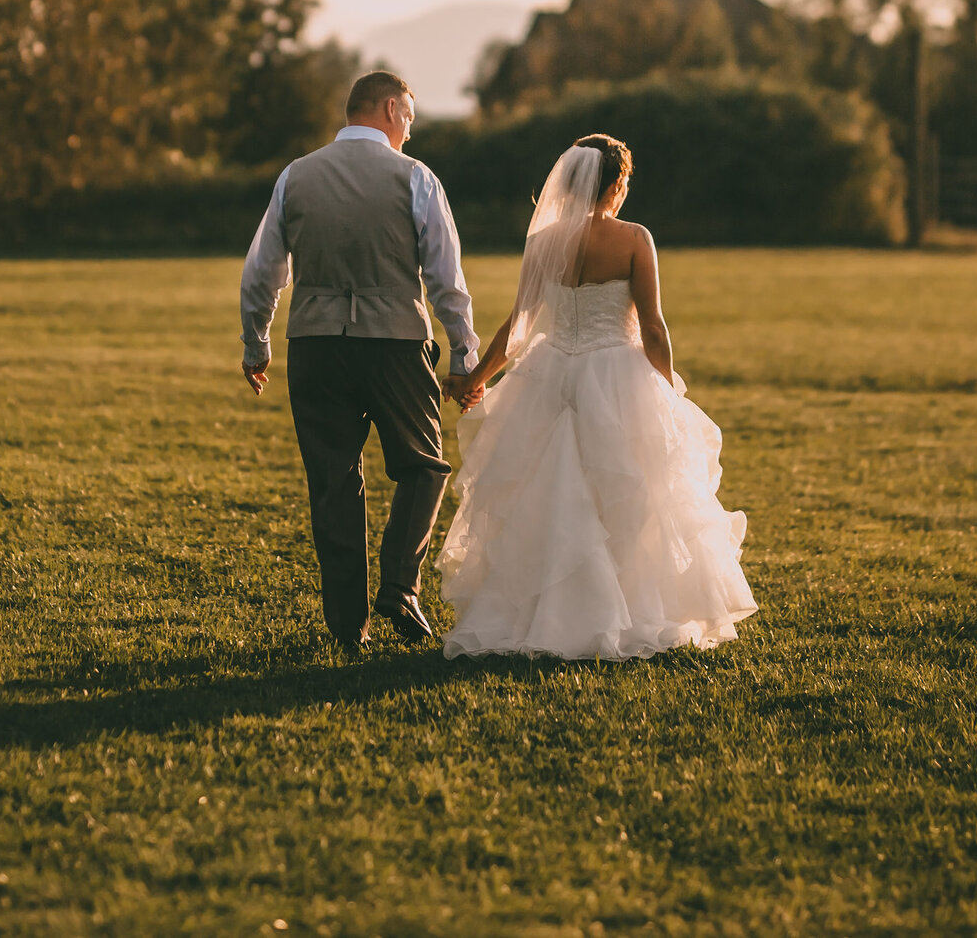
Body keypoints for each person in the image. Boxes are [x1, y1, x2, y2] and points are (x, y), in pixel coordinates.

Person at [438, 134, 756, 660]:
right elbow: (652, 326)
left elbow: (519, 324)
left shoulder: (545, 241)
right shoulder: (634, 238)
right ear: (614, 185)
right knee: (628, 498)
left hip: (551, 373)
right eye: (624, 183)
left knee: (550, 496)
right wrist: (668, 386)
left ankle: (545, 613)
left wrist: (478, 380)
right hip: (618, 377)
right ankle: (629, 611)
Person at [239, 71, 480, 655]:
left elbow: (262, 271)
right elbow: (445, 278)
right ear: (391, 109)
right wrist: (464, 352)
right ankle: (400, 586)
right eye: (410, 120)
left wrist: (257, 344)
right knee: (423, 466)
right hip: (396, 343)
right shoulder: (416, 178)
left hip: (315, 346)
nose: (409, 133)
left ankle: (348, 625)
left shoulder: (296, 176)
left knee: (333, 485)